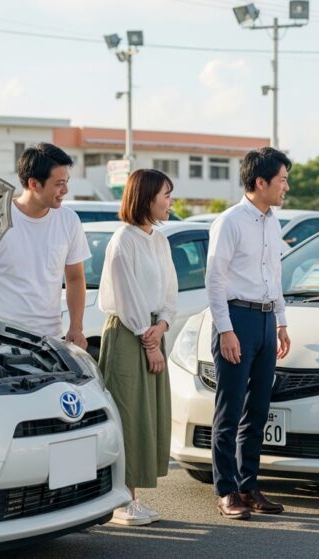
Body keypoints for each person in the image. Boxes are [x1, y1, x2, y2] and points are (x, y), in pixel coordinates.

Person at [205, 147, 292, 521]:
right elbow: (214, 279)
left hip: (265, 320)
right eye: (282, 180)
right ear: (261, 182)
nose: (286, 187)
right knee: (229, 411)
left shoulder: (273, 222)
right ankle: (226, 490)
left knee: (257, 410)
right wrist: (225, 330)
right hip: (236, 320)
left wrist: (282, 321)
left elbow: (275, 276)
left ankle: (248, 485)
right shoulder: (230, 222)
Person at [98, 169, 178, 526]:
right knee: (128, 415)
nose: (170, 201)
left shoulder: (158, 239)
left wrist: (161, 327)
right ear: (145, 197)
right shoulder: (123, 240)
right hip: (129, 336)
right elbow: (128, 297)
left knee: (148, 416)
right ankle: (121, 500)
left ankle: (134, 496)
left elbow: (170, 291)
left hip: (150, 332)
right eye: (165, 194)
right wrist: (150, 341)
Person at [0, 142, 90, 346]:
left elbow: (75, 279)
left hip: (51, 339)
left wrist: (76, 327)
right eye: (59, 183)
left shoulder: (69, 220)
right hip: (1, 338)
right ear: (34, 183)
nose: (65, 190)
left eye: (66, 182)